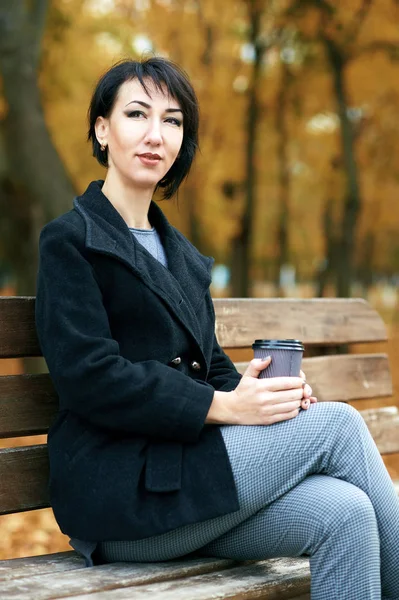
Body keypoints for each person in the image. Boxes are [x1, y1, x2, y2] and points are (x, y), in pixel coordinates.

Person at [35, 57, 399, 600]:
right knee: (339, 426)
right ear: (102, 128)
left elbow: (213, 365)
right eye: (137, 114)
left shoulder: (178, 252)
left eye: (173, 120)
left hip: (184, 478)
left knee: (344, 511)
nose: (156, 134)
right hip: (120, 493)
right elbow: (89, 376)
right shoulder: (71, 241)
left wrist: (260, 395)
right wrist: (224, 408)